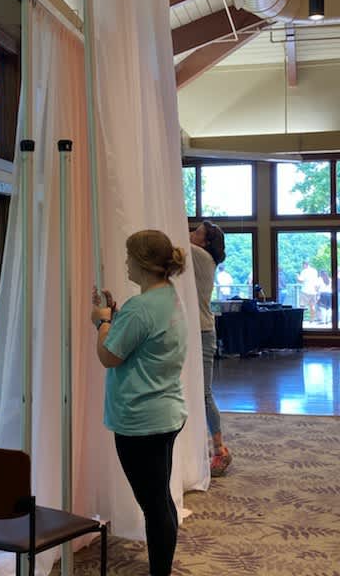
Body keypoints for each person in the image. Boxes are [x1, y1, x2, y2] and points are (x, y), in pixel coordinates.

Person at [91, 229, 188, 576]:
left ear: (143, 263)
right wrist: (117, 318)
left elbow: (109, 356)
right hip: (166, 413)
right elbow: (141, 338)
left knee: (154, 504)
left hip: (141, 421)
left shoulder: (140, 308)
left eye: (129, 256)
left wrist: (102, 322)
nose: (125, 262)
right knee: (160, 497)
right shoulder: (168, 296)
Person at [189, 220, 232, 477]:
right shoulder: (200, 256)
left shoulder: (199, 255)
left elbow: (173, 238)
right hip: (197, 330)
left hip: (203, 333)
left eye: (196, 232)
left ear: (205, 242)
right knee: (196, 392)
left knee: (204, 393)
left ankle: (220, 450)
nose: (190, 233)